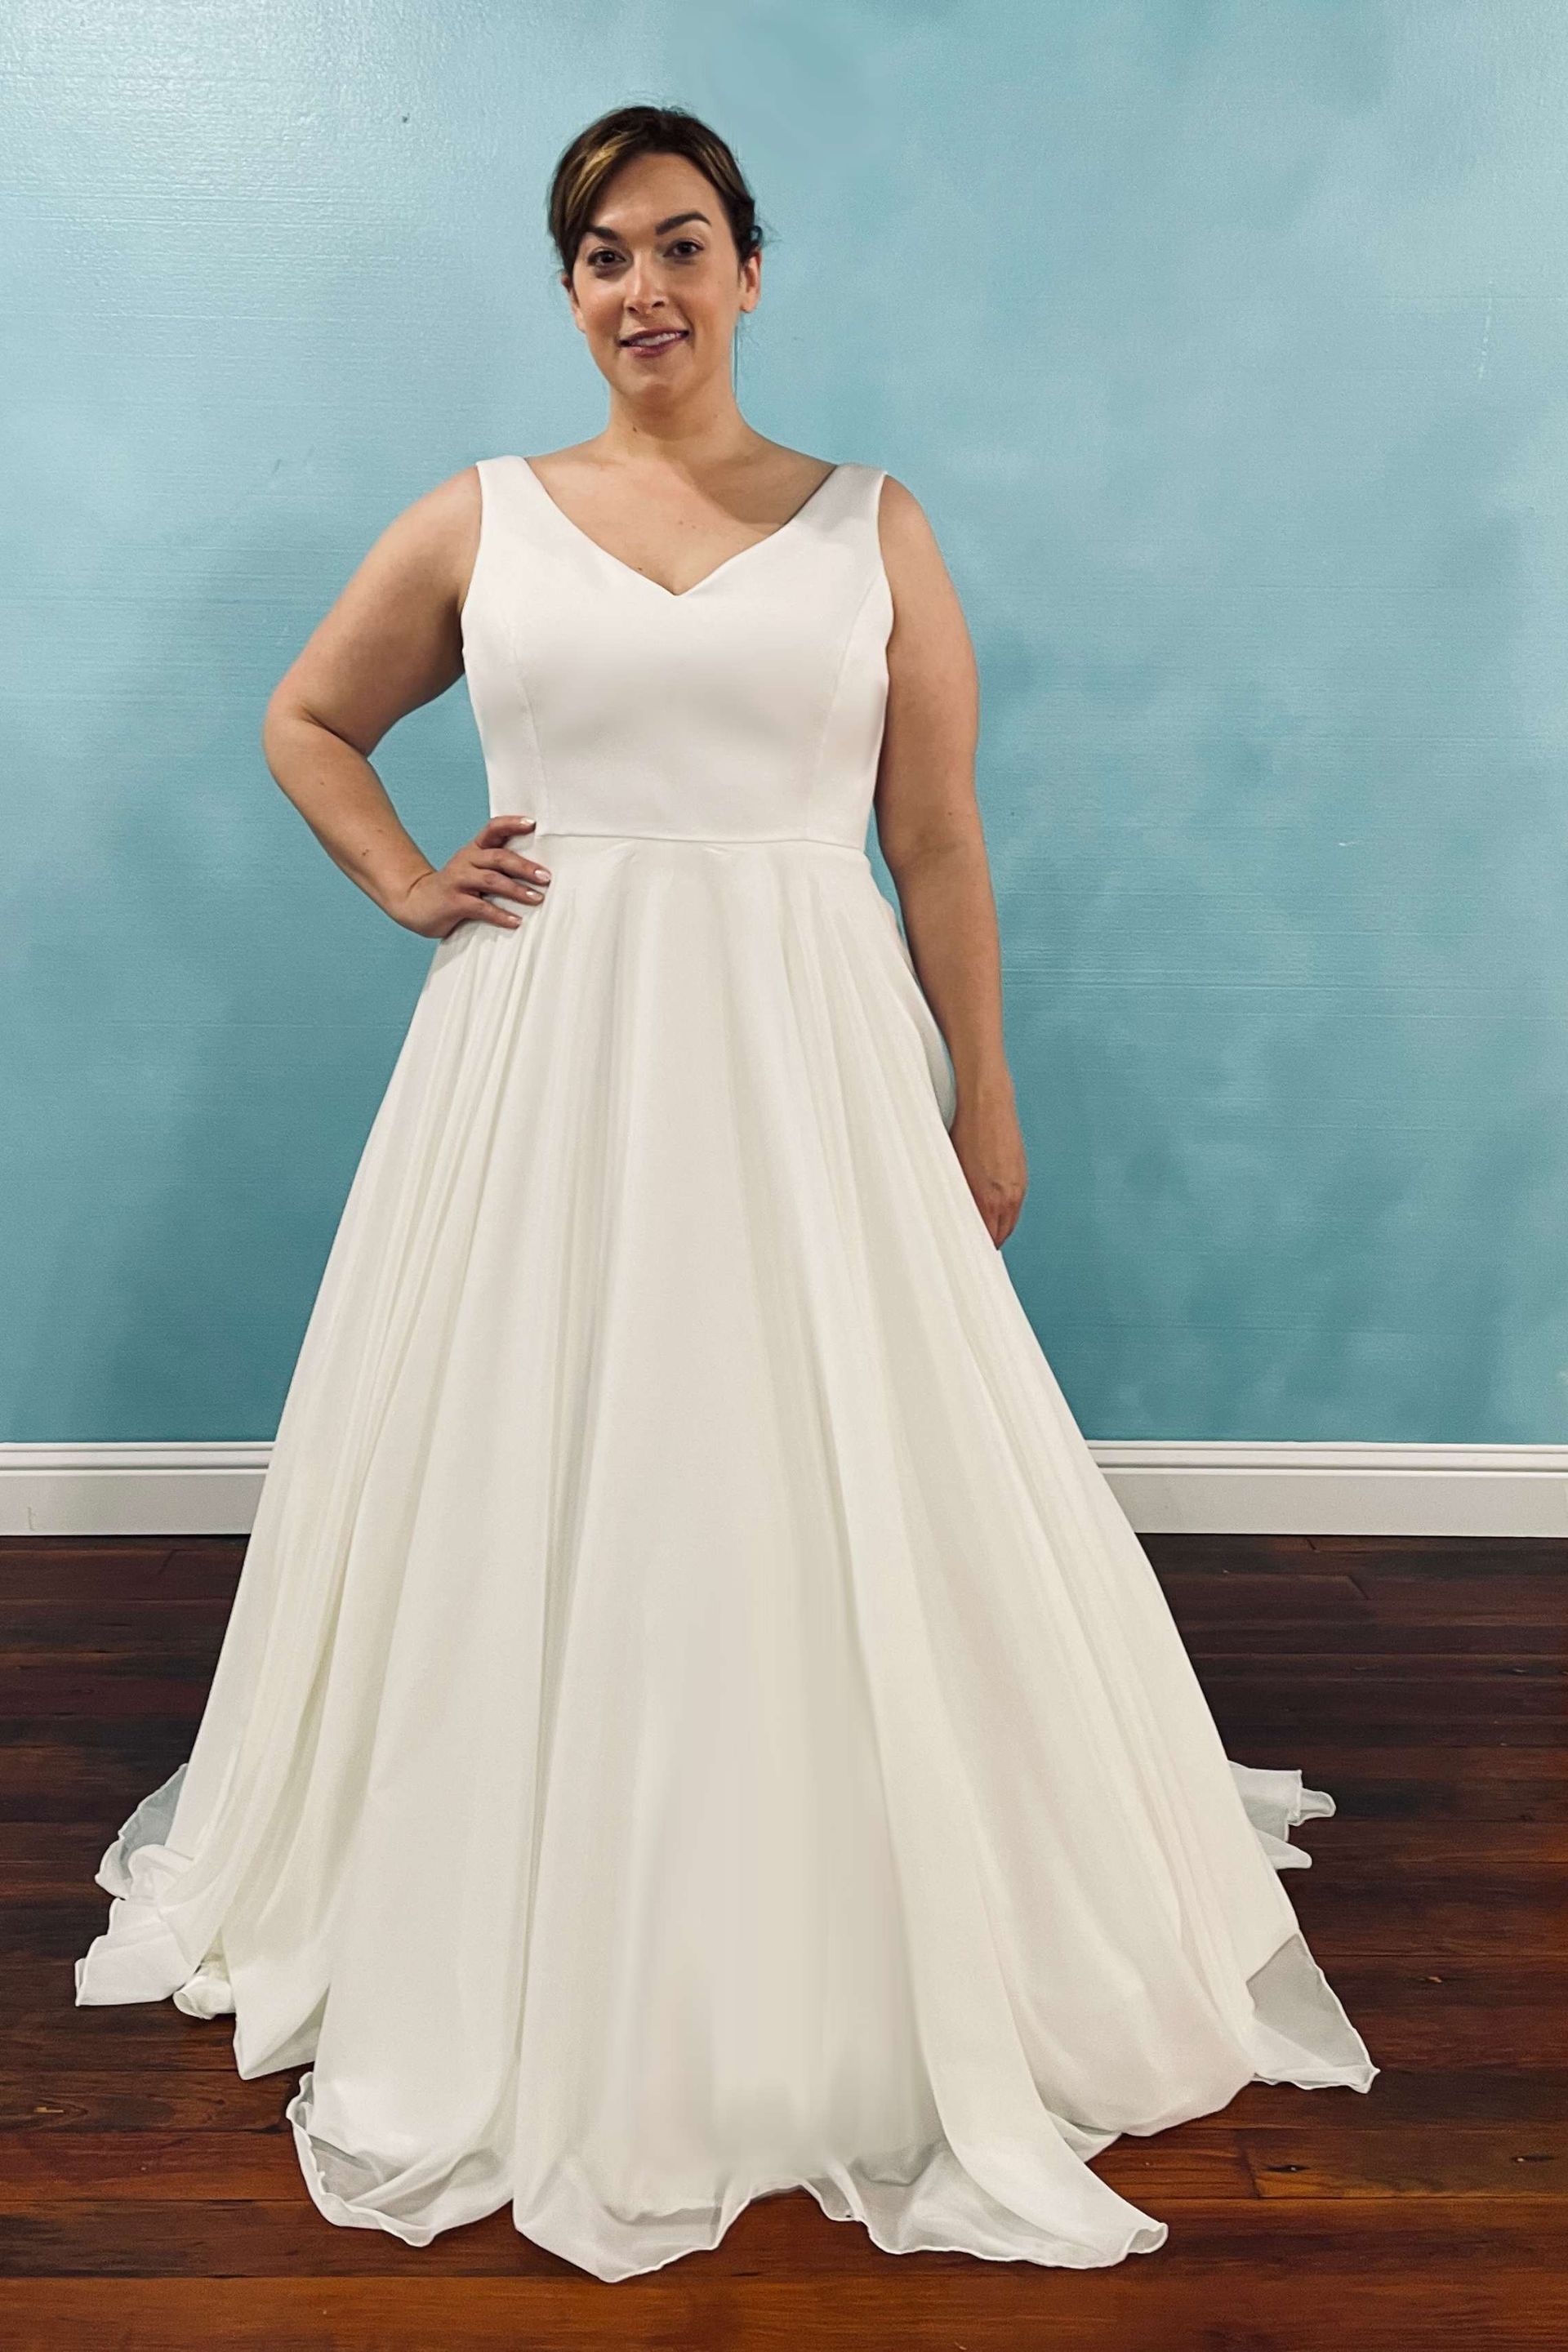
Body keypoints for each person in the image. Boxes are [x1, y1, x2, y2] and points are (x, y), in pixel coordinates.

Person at [74, 102, 1376, 2281]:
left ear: (751, 270)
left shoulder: (875, 528)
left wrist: (988, 1090)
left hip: (809, 1060)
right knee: (545, 1462)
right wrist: (408, 875)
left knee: (822, 1459)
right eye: (600, 254)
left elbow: (934, 837)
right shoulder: (483, 520)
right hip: (546, 1065)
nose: (643, 285)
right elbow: (310, 716)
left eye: (681, 243)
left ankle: (859, 1897)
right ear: (568, 290)